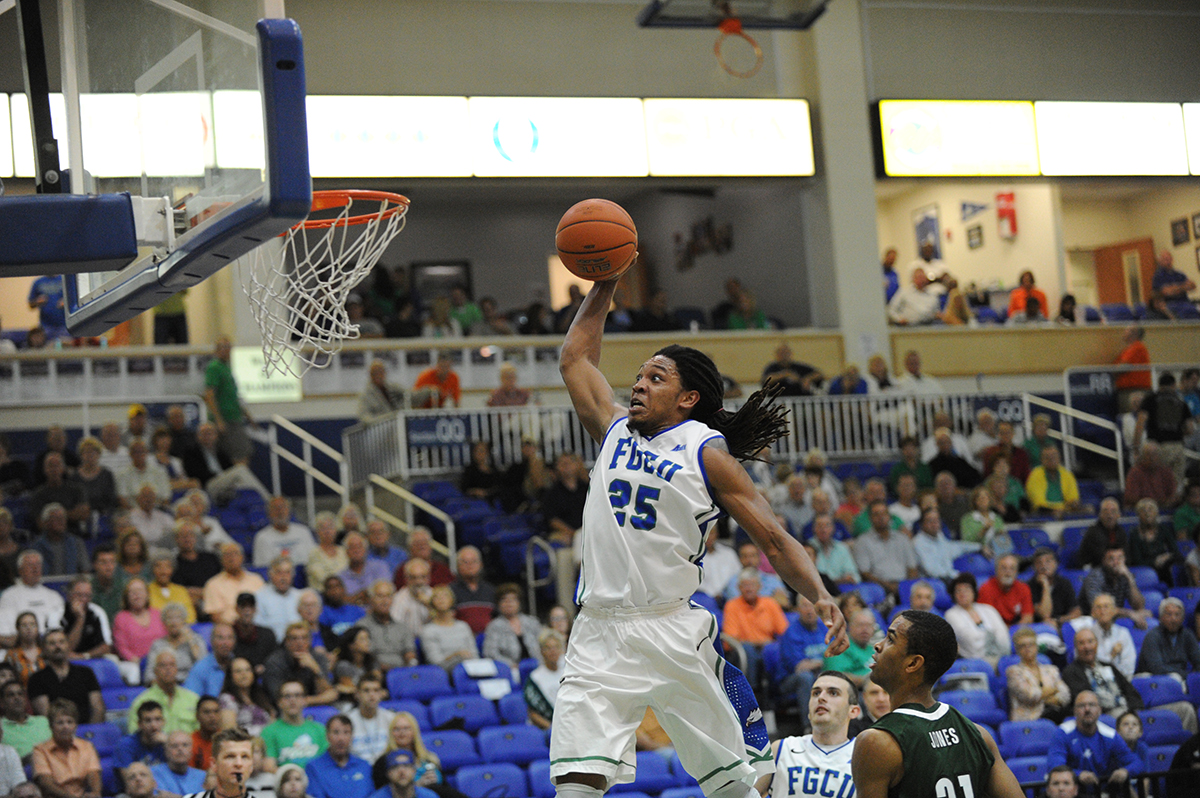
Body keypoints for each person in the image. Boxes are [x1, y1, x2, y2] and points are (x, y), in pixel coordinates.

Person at [552, 276, 847, 798]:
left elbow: (774, 539)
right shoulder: (613, 427)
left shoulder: (706, 452)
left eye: (656, 377)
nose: (638, 384)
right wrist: (605, 284)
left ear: (688, 397)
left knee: (734, 784)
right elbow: (576, 359)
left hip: (669, 629)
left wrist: (819, 593)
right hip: (597, 630)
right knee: (576, 784)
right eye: (639, 375)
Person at [851, 611, 1023, 798]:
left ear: (913, 663)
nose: (878, 645)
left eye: (890, 639)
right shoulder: (978, 735)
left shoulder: (877, 742)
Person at [754, 671, 859, 798]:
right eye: (816, 693)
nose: (821, 698)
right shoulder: (782, 748)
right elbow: (747, 794)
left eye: (833, 693)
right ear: (808, 711)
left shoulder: (862, 758)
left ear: (853, 711)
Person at [1046, 691, 1142, 789]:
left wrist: (1125, 771)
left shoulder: (1110, 735)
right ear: (1074, 711)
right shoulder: (1062, 733)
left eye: (1092, 705)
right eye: (1082, 706)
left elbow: (1136, 762)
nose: (1087, 709)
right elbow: (1055, 767)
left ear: (1099, 710)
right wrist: (1078, 775)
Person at [27, 628, 105, 724]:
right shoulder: (36, 679)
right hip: (55, 733)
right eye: (52, 643)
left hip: (87, 731)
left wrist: (91, 732)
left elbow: (98, 708)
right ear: (43, 649)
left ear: (68, 646)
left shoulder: (86, 673)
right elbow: (45, 716)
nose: (57, 646)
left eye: (61, 642)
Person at [32, 698, 102, 798]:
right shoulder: (40, 750)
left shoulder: (87, 746)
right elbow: (46, 784)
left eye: (70, 722)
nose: (66, 727)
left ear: (75, 726)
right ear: (51, 726)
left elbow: (94, 775)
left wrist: (95, 793)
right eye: (60, 722)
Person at [205, 336, 256, 464]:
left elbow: (232, 396)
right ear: (217, 350)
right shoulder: (214, 367)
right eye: (223, 347)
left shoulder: (227, 368)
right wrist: (219, 420)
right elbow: (209, 395)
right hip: (226, 419)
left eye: (228, 347)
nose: (226, 350)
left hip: (234, 417)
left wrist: (247, 416)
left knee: (239, 454)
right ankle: (239, 483)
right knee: (240, 454)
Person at [854, 500, 919, 599]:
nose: (881, 517)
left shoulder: (902, 539)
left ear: (889, 516)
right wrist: (889, 586)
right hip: (880, 587)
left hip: (904, 585)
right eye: (876, 514)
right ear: (870, 518)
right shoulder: (862, 542)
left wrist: (906, 586)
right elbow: (865, 573)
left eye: (884, 513)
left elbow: (912, 568)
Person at [944, 573, 1010, 667]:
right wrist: (992, 636)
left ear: (974, 591)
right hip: (974, 662)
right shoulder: (951, 614)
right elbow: (970, 641)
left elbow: (1003, 636)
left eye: (967, 589)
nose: (963, 593)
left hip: (1001, 657)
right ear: (954, 595)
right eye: (958, 590)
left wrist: (990, 641)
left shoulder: (988, 609)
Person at [1006, 627, 1070, 722]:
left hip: (1055, 715)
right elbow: (1031, 695)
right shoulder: (1013, 672)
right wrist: (1054, 690)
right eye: (1022, 646)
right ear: (1017, 650)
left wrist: (1042, 697)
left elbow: (1065, 694)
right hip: (1028, 721)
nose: (1027, 649)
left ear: (1036, 646)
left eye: (1030, 645)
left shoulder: (1051, 669)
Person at [129, 650, 201, 734]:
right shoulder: (142, 701)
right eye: (163, 665)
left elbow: (201, 733)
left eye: (172, 665)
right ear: (155, 671)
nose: (168, 669)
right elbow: (134, 734)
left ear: (177, 669)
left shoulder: (193, 699)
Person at [263, 680, 330, 770]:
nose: (292, 700)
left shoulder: (320, 729)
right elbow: (269, 767)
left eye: (297, 695)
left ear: (305, 700)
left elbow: (328, 764)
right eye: (287, 696)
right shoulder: (269, 731)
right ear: (279, 702)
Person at [305, 715, 373, 798]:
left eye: (346, 732)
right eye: (336, 732)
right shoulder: (314, 768)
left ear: (352, 736)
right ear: (327, 736)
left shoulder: (364, 766)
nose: (341, 738)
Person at [369, 713, 441, 791]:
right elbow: (383, 792)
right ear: (390, 733)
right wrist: (416, 786)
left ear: (415, 731)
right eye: (396, 729)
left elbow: (444, 787)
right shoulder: (382, 763)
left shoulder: (430, 758)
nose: (402, 732)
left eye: (406, 728)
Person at [1079, 548, 1151, 626]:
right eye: (1111, 559)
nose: (1116, 563)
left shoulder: (1124, 576)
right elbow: (1100, 608)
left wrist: (1129, 578)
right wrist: (1130, 614)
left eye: (1120, 558)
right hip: (1092, 621)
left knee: (1148, 618)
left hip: (1115, 618)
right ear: (1103, 561)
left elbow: (1139, 605)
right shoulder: (1095, 577)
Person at [1136, 596, 1200, 679]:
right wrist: (1186, 675)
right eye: (1169, 614)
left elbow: (1198, 661)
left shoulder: (1187, 635)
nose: (1173, 619)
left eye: (1177, 615)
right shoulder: (1152, 636)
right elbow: (1156, 668)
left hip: (1181, 678)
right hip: (1154, 680)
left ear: (1183, 618)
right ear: (1161, 617)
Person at [359, 580, 415, 671]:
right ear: (371, 599)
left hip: (401, 672)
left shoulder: (402, 627)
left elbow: (409, 652)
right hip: (374, 671)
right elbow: (364, 656)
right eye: (380, 596)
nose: (385, 601)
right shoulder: (362, 627)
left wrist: (411, 664)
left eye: (388, 596)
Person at [203, 544, 266, 624]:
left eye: (235, 553)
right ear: (221, 560)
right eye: (227, 555)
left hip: (258, 627)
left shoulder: (256, 580)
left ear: (242, 557)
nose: (231, 558)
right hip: (230, 631)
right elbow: (216, 617)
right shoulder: (213, 584)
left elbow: (265, 607)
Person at [145, 602, 207, 684]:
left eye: (178, 618)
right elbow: (149, 674)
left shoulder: (196, 640)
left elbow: (204, 667)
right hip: (164, 685)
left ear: (184, 621)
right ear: (164, 623)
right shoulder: (157, 645)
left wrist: (191, 640)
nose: (173, 622)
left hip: (190, 683)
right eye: (169, 618)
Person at [419, 585, 478, 670]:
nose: (441, 599)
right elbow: (436, 662)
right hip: (444, 672)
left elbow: (474, 655)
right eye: (437, 597)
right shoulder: (428, 630)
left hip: (470, 669)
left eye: (445, 596)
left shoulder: (463, 626)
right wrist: (457, 655)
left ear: (452, 600)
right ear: (432, 603)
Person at [482, 583, 541, 667]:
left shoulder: (532, 622)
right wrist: (511, 665)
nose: (509, 603)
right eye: (504, 600)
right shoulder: (494, 626)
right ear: (498, 604)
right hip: (509, 669)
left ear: (519, 603)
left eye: (513, 599)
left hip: (537, 666)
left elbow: (544, 645)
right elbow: (490, 653)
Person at [218, 656, 275, 736]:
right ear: (230, 676)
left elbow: (273, 724)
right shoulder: (227, 699)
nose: (244, 674)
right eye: (238, 671)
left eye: (247, 670)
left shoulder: (261, 696)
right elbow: (229, 732)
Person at [255, 498, 315, 569]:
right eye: (275, 508)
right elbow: (261, 567)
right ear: (269, 513)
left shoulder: (303, 531)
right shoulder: (262, 537)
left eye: (283, 507)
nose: (280, 511)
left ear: (289, 511)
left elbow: (314, 559)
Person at [114, 701, 167, 782]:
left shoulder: (167, 743)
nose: (153, 725)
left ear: (163, 722)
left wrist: (168, 745)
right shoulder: (125, 745)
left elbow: (179, 773)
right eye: (148, 720)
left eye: (158, 719)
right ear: (139, 724)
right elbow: (130, 782)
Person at [347, 675, 395, 764]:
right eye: (366, 690)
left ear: (381, 694)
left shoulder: (392, 718)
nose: (372, 695)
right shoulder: (347, 721)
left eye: (376, 690)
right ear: (357, 694)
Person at [1028, 548, 1080, 630]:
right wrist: (1045, 585)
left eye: (1048, 561)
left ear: (1055, 564)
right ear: (1034, 567)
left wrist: (1058, 620)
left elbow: (1076, 611)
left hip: (1061, 624)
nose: (1044, 565)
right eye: (1039, 562)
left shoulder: (1064, 583)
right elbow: (1045, 614)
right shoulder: (1029, 586)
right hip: (1039, 627)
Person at [823, 610, 877, 688]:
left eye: (869, 626)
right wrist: (867, 681)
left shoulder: (872, 649)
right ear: (849, 627)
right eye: (860, 625)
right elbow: (835, 677)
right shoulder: (838, 647)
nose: (865, 629)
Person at [2, 677, 51, 762]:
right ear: (2, 703)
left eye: (20, 694)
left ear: (25, 700)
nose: (17, 698)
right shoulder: (1, 727)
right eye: (11, 695)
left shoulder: (43, 721)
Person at [977, 555, 1034, 627]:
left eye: (1012, 569)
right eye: (1004, 568)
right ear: (997, 571)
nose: (1008, 573)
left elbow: (1028, 617)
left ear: (1016, 572)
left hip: (1016, 629)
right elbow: (986, 619)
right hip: (995, 630)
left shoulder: (1023, 588)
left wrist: (1015, 630)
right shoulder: (986, 589)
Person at [525, 629, 565, 730]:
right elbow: (533, 714)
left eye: (556, 647)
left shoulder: (568, 671)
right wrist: (552, 729)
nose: (553, 651)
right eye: (548, 648)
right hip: (548, 729)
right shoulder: (535, 678)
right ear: (542, 651)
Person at [1025, 446, 1082, 517]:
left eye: (1054, 456)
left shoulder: (1067, 474)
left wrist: (1062, 509)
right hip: (1043, 515)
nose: (1051, 459)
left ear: (1059, 458)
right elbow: (1039, 504)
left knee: (1089, 509)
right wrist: (1063, 507)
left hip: (1066, 514)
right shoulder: (1035, 475)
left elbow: (1073, 501)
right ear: (1041, 460)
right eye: (1047, 457)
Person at [183, 623, 236, 698]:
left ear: (234, 642)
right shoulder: (200, 668)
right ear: (212, 641)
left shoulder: (239, 664)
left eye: (229, 638)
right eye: (220, 638)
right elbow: (190, 698)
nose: (225, 643)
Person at [370, 749, 439, 798]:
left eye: (406, 766)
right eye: (395, 767)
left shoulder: (429, 796)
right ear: (388, 773)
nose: (401, 771)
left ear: (414, 770)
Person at [1079, 498, 1127, 570]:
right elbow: (1101, 557)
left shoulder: (1121, 532)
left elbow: (1126, 554)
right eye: (1106, 512)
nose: (1110, 516)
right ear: (1100, 515)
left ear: (1119, 515)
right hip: (1096, 570)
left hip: (1117, 568)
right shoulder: (1093, 533)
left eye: (1113, 512)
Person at [1113, 326, 1152, 410]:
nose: (1124, 333)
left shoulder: (1137, 347)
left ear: (1134, 334)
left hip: (1134, 391)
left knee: (1131, 417)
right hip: (1128, 390)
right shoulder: (1128, 349)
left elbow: (1122, 367)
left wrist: (1113, 372)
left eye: (1126, 330)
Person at [189, 695, 222, 771]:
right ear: (197, 716)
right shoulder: (190, 742)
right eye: (207, 712)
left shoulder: (227, 740)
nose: (212, 716)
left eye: (216, 712)